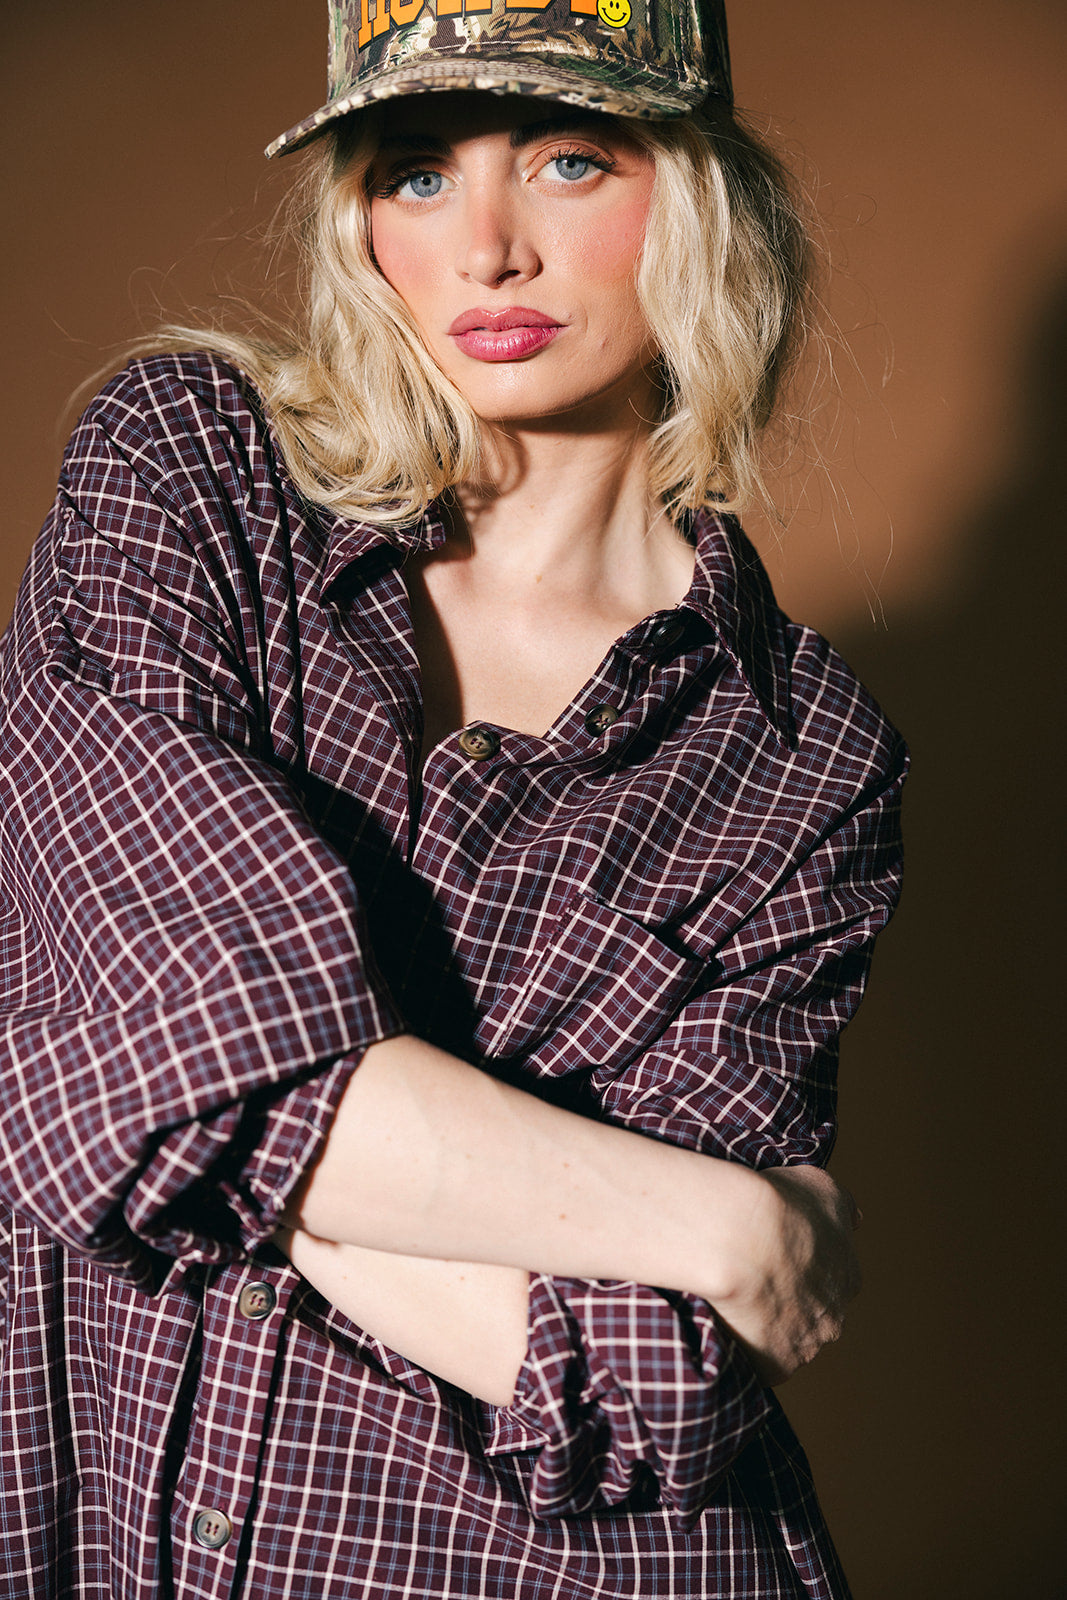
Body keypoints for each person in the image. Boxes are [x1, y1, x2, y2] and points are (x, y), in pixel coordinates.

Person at [0, 1, 906, 1595]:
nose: (487, 247)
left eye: (569, 160)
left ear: (701, 200)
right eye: (417, 172)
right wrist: (724, 1224)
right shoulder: (187, 477)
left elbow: (658, 1383)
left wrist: (161, 1099)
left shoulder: (805, 756)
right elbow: (135, 1057)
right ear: (361, 224)